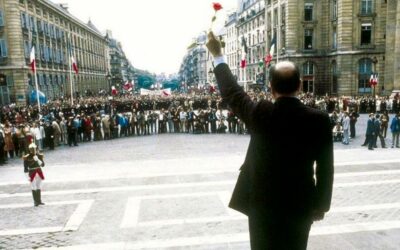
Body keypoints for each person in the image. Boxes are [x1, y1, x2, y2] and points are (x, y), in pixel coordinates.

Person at [206, 32, 334, 250]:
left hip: (261, 203)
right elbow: (325, 169)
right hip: (299, 202)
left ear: (271, 87)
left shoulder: (261, 112)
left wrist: (218, 55)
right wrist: (320, 206)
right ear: (300, 86)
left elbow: (233, 93)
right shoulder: (319, 119)